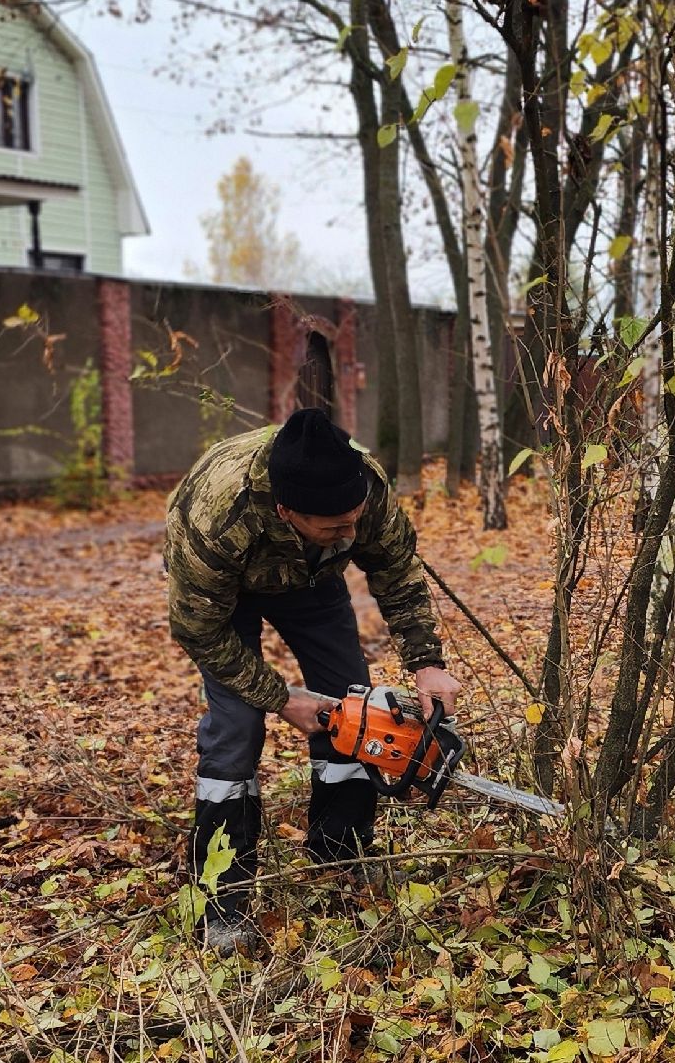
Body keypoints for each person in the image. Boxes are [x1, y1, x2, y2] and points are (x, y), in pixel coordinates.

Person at [163, 407, 462, 955]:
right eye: (335, 527)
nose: (351, 533)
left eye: (354, 520)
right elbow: (197, 630)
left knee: (352, 702)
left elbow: (395, 570)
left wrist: (426, 661)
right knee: (237, 728)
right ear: (286, 511)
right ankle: (221, 899)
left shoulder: (362, 488)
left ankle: (340, 852)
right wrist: (280, 699)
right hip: (223, 596)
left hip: (312, 580)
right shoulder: (216, 519)